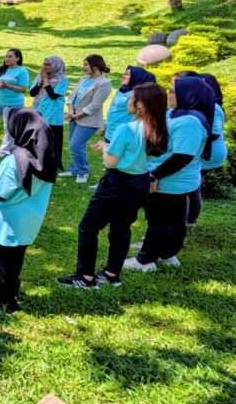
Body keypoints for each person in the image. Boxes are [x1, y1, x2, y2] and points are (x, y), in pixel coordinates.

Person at [57, 83, 168, 289]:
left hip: (118, 183)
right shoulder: (157, 128)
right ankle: (111, 274)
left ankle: (86, 277)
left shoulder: (127, 129)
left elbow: (111, 161)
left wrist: (104, 148)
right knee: (121, 228)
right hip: (140, 183)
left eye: (132, 97)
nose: (128, 100)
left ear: (142, 105)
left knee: (89, 227)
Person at [125, 76, 212, 272]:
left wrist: (155, 176)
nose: (169, 95)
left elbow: (182, 156)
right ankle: (167, 254)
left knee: (160, 221)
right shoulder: (179, 114)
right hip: (174, 180)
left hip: (171, 180)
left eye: (172, 91)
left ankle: (145, 261)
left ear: (187, 95)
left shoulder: (190, 122)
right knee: (174, 220)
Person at [0, 109, 56, 315]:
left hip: (4, 220)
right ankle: (11, 292)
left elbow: (2, 193)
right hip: (28, 218)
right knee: (14, 259)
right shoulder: (45, 157)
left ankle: (3, 303)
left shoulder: (14, 160)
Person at [60, 54, 113, 184]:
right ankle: (75, 169)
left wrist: (76, 115)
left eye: (86, 64)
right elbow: (72, 96)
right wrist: (71, 110)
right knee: (74, 145)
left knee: (75, 145)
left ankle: (83, 171)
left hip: (89, 120)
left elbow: (95, 105)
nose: (83, 67)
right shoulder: (84, 78)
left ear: (95, 66)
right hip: (74, 117)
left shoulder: (104, 83)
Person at [187, 73, 226, 226]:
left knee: (192, 186)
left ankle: (189, 220)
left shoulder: (213, 107)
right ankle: (188, 219)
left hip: (208, 153)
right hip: (200, 151)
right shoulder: (200, 103)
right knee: (192, 186)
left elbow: (214, 134)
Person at [29, 56, 69, 170]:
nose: (45, 67)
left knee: (54, 140)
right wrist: (40, 82)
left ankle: (54, 164)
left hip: (53, 114)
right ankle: (38, 161)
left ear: (56, 66)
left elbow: (53, 95)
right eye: (44, 64)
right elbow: (32, 93)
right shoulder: (39, 76)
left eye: (48, 65)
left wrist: (46, 80)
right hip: (39, 111)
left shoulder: (62, 79)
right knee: (38, 138)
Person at [103, 66, 155, 143]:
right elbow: (112, 108)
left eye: (127, 74)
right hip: (110, 132)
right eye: (124, 74)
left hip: (124, 133)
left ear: (136, 77)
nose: (123, 76)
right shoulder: (121, 90)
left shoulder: (137, 94)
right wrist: (105, 124)